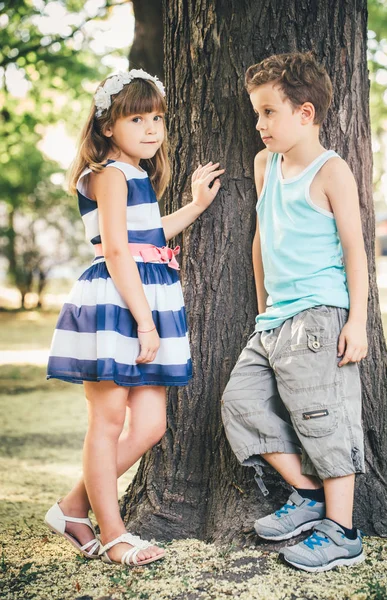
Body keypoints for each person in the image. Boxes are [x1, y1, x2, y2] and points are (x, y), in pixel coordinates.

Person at [45, 68, 224, 567]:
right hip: (119, 304)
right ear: (107, 127)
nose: (151, 128)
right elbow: (119, 250)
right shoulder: (106, 174)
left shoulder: (137, 176)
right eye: (137, 118)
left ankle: (73, 507)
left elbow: (148, 236)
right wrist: (145, 323)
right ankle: (114, 534)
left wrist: (194, 206)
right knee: (106, 421)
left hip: (147, 299)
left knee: (148, 427)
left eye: (158, 118)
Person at [221, 52, 368, 573]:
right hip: (274, 319)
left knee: (321, 419)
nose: (258, 124)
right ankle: (307, 496)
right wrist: (263, 309)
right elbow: (261, 239)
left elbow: (355, 248)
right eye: (256, 113)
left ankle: (343, 530)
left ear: (305, 114)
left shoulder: (333, 171)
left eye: (267, 112)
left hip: (318, 316)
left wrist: (357, 321)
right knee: (239, 402)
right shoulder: (266, 165)